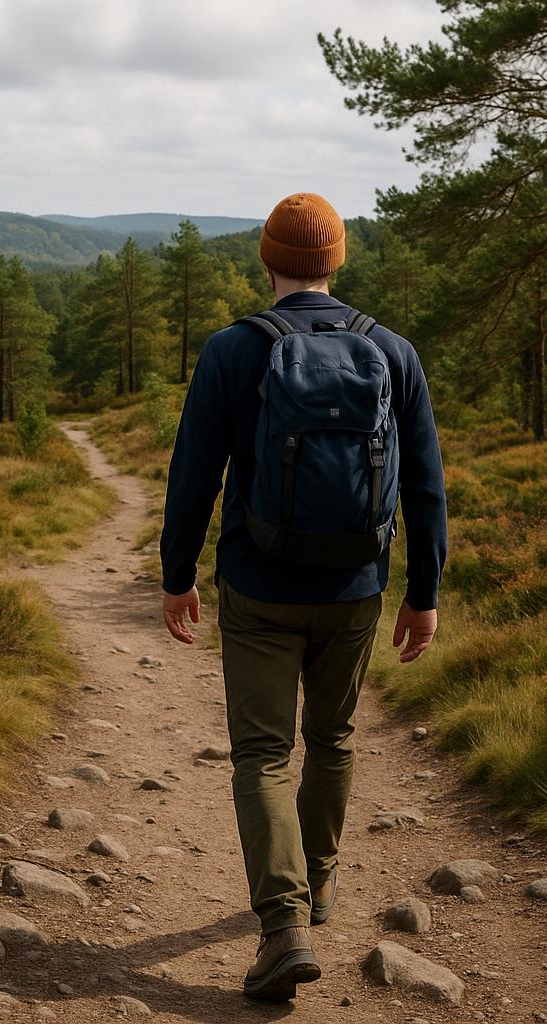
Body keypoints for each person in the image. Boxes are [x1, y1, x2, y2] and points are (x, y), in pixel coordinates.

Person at [157, 192, 447, 1001]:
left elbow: (194, 474)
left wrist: (177, 574)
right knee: (334, 738)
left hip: (257, 585)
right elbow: (424, 485)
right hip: (357, 586)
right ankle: (316, 886)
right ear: (339, 258)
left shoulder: (232, 351)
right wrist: (423, 593)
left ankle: (281, 928)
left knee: (260, 754)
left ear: (268, 259)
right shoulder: (393, 352)